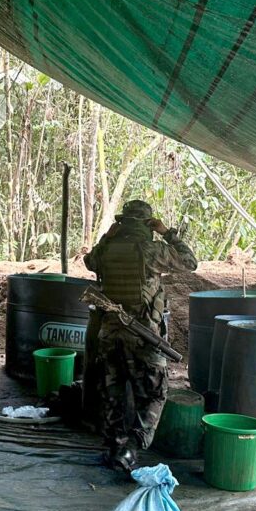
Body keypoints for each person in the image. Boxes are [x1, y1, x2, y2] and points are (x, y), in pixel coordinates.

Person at [84, 199, 197, 470]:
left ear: (122, 223)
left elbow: (90, 262)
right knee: (155, 393)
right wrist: (168, 232)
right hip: (143, 336)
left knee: (113, 391)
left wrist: (105, 237)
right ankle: (132, 448)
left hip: (109, 334)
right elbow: (190, 262)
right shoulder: (151, 249)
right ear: (148, 224)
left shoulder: (107, 249)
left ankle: (114, 448)